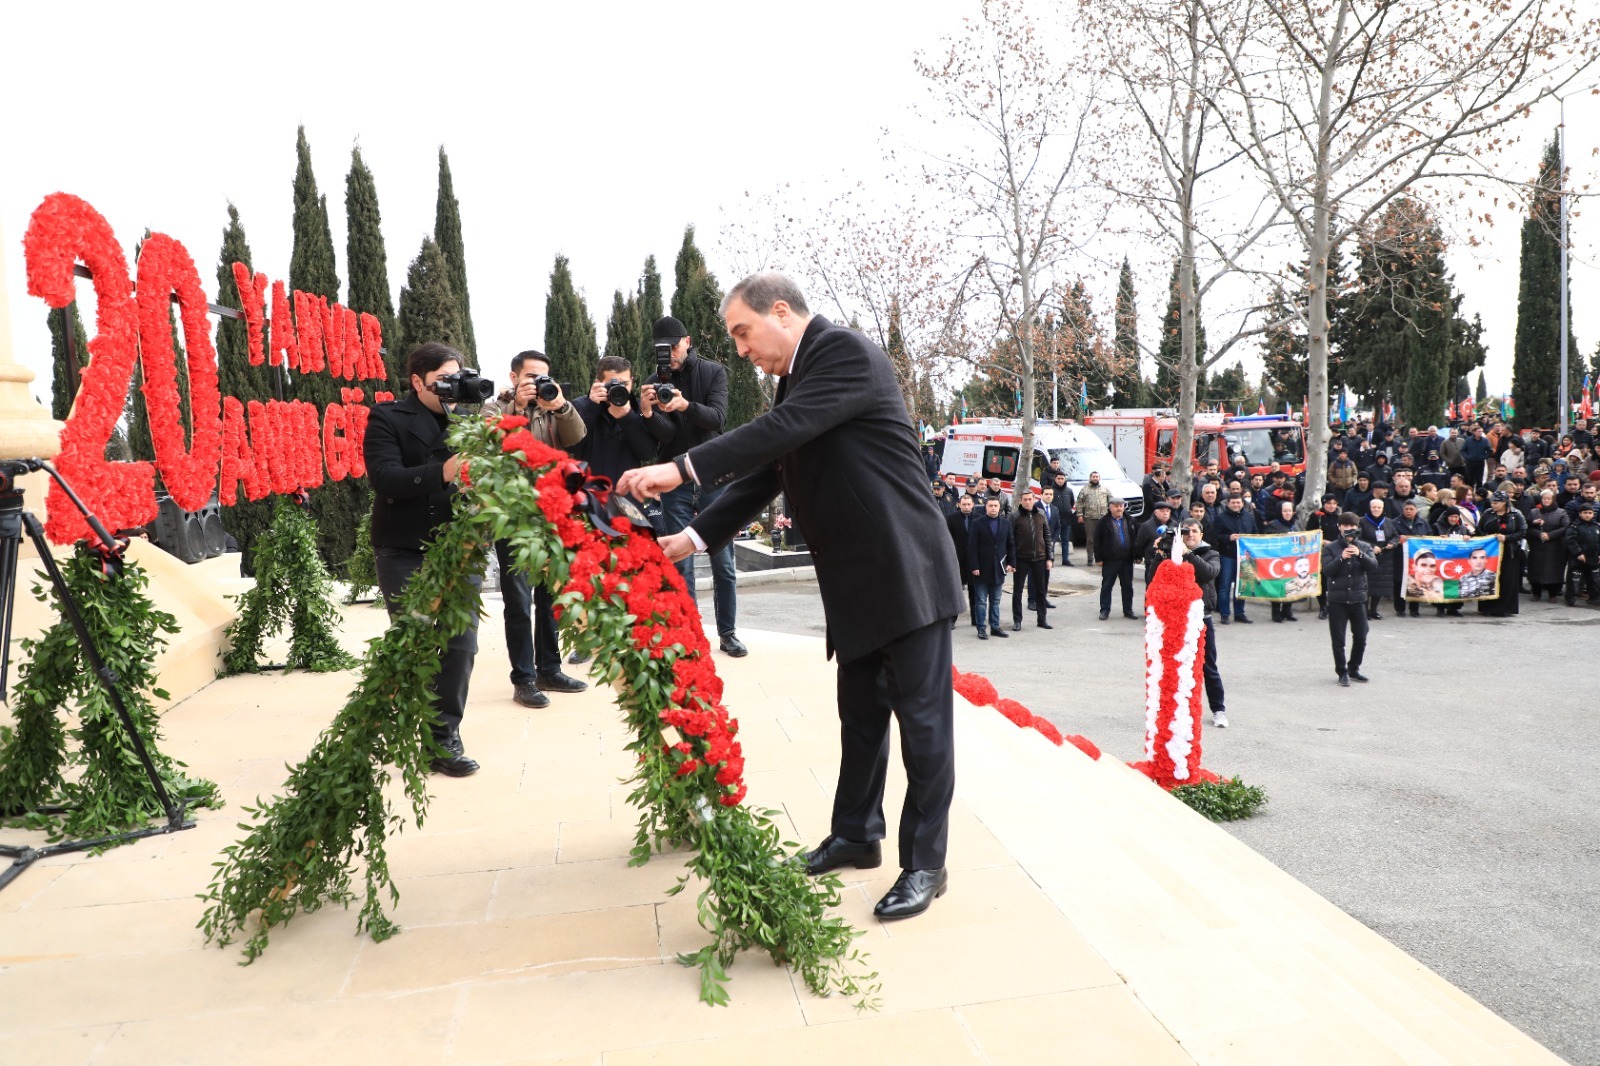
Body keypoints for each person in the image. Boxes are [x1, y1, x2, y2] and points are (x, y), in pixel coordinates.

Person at [618, 272, 963, 920]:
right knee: (860, 720)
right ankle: (857, 836)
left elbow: (777, 435)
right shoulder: (796, 380)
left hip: (906, 571)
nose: (742, 350)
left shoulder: (844, 354)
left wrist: (682, 468)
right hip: (859, 581)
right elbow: (771, 469)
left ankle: (925, 864)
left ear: (781, 311)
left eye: (744, 332)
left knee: (923, 730)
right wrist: (690, 538)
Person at [364, 343, 483, 777]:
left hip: (459, 548)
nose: (452, 388)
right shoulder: (388, 417)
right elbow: (384, 478)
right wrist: (442, 472)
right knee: (416, 643)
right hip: (404, 549)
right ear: (418, 381)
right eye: (442, 381)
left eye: (457, 378)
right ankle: (409, 723)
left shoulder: (468, 420)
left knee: (462, 644)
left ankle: (443, 737)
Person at [481, 350, 591, 707]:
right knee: (518, 600)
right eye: (532, 377)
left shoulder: (552, 408)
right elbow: (489, 444)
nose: (539, 384)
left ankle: (549, 669)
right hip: (512, 515)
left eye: (545, 377)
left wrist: (560, 405)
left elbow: (577, 436)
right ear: (514, 378)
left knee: (551, 595)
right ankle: (524, 678)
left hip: (551, 512)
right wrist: (516, 409)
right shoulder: (494, 409)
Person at [643, 315, 746, 657]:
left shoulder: (713, 372)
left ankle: (728, 633)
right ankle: (689, 634)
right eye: (662, 350)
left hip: (714, 474)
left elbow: (717, 420)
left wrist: (684, 404)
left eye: (673, 347)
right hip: (676, 479)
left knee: (724, 561)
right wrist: (649, 413)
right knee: (680, 562)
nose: (669, 355)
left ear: (687, 341)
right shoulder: (654, 381)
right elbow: (667, 436)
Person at [1171, 518, 1227, 727]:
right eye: (1186, 532)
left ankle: (1219, 710)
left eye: (1195, 531)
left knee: (1208, 666)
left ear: (1201, 535)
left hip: (1202, 619)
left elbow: (1208, 573)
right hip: (1178, 619)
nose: (1190, 535)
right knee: (1177, 666)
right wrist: (1161, 552)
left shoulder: (1211, 553)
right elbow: (1155, 576)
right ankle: (1179, 710)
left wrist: (1188, 554)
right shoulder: (1174, 554)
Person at [573, 355, 659, 488]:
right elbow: (572, 445)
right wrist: (591, 407)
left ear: (632, 381)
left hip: (626, 496)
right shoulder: (581, 405)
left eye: (624, 384)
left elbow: (647, 454)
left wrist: (627, 417)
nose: (618, 389)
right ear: (598, 383)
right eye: (611, 384)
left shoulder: (640, 409)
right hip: (588, 494)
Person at [1322, 512, 1379, 687]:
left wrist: (1360, 554)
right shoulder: (1330, 548)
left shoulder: (1364, 546)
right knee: (1338, 639)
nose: (1349, 530)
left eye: (1352, 528)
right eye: (1346, 527)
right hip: (1337, 600)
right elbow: (1327, 571)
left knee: (1361, 636)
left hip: (1358, 598)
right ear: (1339, 527)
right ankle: (1342, 671)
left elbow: (1373, 566)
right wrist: (1341, 558)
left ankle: (1354, 668)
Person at [969, 496, 1014, 638]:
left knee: (996, 600)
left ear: (999, 507)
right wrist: (974, 566)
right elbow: (972, 547)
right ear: (986, 507)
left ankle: (995, 627)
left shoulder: (1006, 524)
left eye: (995, 505)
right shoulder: (977, 523)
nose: (993, 508)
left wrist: (1012, 563)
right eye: (990, 506)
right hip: (981, 568)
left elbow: (1010, 544)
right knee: (981, 601)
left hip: (998, 568)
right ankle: (981, 628)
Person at [1011, 489, 1053, 630]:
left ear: (1034, 499)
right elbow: (1010, 540)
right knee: (1017, 591)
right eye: (1025, 499)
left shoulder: (1040, 514)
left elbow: (1047, 536)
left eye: (1030, 499)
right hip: (1021, 558)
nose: (1028, 502)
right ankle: (1017, 620)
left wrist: (1049, 557)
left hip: (1040, 558)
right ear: (1020, 501)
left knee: (1041, 591)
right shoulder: (1015, 516)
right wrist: (1011, 560)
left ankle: (1042, 619)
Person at [1213, 492, 1256, 624]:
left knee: (1241, 586)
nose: (1236, 505)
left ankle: (1239, 613)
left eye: (1238, 502)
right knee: (1225, 586)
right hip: (1228, 556)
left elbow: (1255, 532)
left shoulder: (1249, 517)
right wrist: (1228, 538)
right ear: (1228, 503)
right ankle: (1224, 614)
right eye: (1233, 502)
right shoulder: (1220, 518)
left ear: (1242, 503)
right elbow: (1216, 536)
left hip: (1244, 557)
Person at [1094, 497, 1138, 620]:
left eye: (1121, 506)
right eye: (1116, 506)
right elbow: (1097, 541)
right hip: (1110, 560)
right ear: (1110, 507)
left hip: (1127, 559)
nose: (1119, 508)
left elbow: (1136, 539)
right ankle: (1104, 610)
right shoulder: (1103, 522)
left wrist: (1137, 556)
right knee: (1107, 585)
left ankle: (1128, 610)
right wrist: (1099, 558)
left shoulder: (1131, 520)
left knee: (1127, 586)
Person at [1357, 496, 1398, 620]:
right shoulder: (1362, 521)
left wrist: (1393, 543)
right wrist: (1372, 546)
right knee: (1366, 585)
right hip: (1368, 556)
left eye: (1379, 507)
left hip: (1385, 558)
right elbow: (1358, 538)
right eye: (1374, 507)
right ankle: (1363, 611)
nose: (1376, 509)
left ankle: (1373, 610)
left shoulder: (1389, 522)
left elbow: (1396, 536)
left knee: (1379, 586)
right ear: (1369, 508)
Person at [1526, 489, 1570, 600]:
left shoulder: (1561, 512)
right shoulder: (1534, 512)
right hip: (1537, 546)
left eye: (1548, 498)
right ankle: (1536, 593)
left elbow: (1565, 527)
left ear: (1553, 499)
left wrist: (1550, 535)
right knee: (1535, 569)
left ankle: (1553, 594)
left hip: (1555, 546)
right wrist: (1538, 533)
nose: (1546, 500)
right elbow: (1527, 528)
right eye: (1544, 498)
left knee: (1554, 570)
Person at [1392, 499, 1432, 616]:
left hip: (1417, 558)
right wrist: (1399, 538)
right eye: (1406, 509)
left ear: (1416, 510)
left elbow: (1429, 536)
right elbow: (1391, 535)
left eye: (1411, 509)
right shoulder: (1395, 522)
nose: (1409, 511)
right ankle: (1400, 609)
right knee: (1399, 583)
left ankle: (1414, 609)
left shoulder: (1422, 522)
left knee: (1416, 582)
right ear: (1402, 510)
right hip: (1400, 557)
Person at [1264, 499, 1301, 622]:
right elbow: (1268, 542)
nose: (1288, 513)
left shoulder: (1295, 525)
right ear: (1280, 512)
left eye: (1290, 511)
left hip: (1292, 561)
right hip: (1278, 561)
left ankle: (1287, 611)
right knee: (1278, 587)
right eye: (1285, 511)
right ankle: (1276, 613)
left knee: (1291, 586)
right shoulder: (1272, 525)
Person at [946, 491, 978, 625]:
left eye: (968, 504)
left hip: (973, 561)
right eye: (964, 504)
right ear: (959, 505)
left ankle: (975, 619)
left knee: (974, 591)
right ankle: (952, 619)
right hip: (957, 560)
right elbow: (947, 539)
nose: (966, 506)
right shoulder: (951, 519)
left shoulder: (978, 518)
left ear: (973, 505)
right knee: (955, 592)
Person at [1564, 499, 1600, 604]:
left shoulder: (1596, 526)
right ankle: (1571, 597)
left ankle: (1594, 597)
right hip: (1578, 558)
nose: (1587, 515)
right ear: (1580, 514)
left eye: (1590, 513)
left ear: (1593, 514)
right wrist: (1578, 553)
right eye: (1585, 513)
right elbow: (1570, 540)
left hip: (1593, 557)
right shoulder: (1574, 526)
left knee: (1594, 579)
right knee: (1574, 578)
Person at [1077, 471, 1112, 565]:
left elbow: (1111, 501)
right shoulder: (1085, 489)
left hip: (1103, 517)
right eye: (1093, 477)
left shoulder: (1105, 489)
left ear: (1099, 478)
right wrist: (1079, 515)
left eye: (1097, 477)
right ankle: (1090, 558)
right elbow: (1079, 502)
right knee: (1090, 539)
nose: (1095, 478)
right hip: (1090, 517)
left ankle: (1103, 558)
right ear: (1090, 478)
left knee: (1104, 538)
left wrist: (1111, 514)